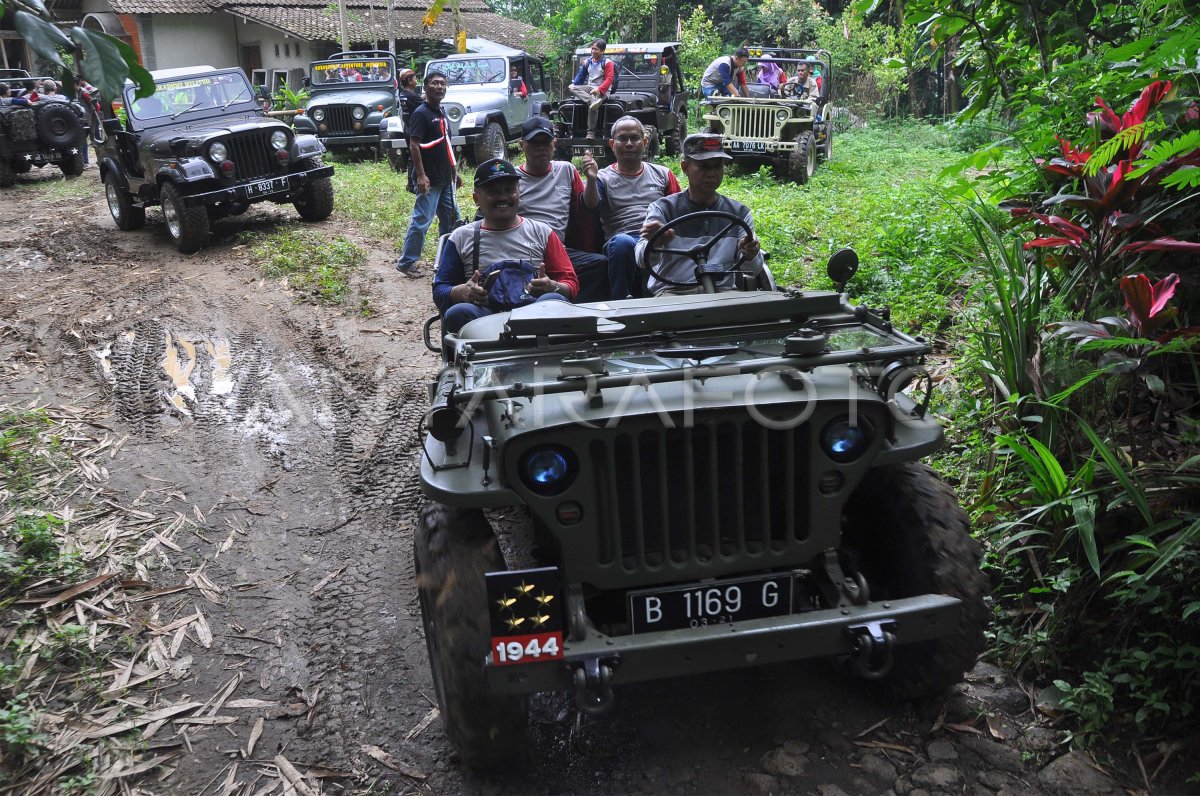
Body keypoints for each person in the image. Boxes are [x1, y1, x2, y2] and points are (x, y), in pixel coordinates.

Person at [433, 158, 578, 333]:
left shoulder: (542, 232)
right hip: (485, 319)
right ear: (476, 198)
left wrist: (552, 286)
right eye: (493, 192)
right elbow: (440, 290)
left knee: (555, 299)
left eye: (509, 190)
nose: (503, 197)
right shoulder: (461, 237)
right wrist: (461, 292)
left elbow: (571, 285)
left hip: (537, 316)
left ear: (519, 193)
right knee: (458, 313)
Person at [635, 133, 762, 296]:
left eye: (717, 166)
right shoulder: (663, 209)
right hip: (673, 293)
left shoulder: (739, 213)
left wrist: (750, 254)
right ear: (685, 167)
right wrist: (655, 244)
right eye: (703, 166)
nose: (711, 173)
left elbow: (753, 269)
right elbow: (641, 260)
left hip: (723, 291)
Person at [581, 116, 681, 300]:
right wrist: (592, 180)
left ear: (644, 142)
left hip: (658, 238)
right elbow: (590, 206)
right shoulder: (603, 177)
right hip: (622, 240)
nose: (628, 144)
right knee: (622, 243)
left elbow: (678, 212)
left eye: (634, 138)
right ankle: (620, 302)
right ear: (612, 144)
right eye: (622, 138)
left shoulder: (663, 174)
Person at [515, 115, 609, 301]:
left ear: (554, 143)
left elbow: (589, 206)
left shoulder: (566, 170)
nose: (541, 147)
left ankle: (575, 311)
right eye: (534, 142)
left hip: (560, 250)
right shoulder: (513, 178)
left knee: (600, 265)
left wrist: (591, 179)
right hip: (523, 249)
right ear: (521, 145)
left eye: (546, 141)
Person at [395, 71, 461, 278]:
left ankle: (445, 261)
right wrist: (421, 176)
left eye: (443, 83)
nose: (439, 87)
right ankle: (406, 262)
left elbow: (446, 144)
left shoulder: (440, 112)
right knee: (422, 221)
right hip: (429, 179)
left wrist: (454, 171)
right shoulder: (421, 113)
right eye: (435, 83)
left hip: (445, 178)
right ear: (425, 87)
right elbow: (414, 145)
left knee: (451, 221)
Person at [569, 39, 616, 139]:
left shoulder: (608, 63)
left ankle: (591, 133)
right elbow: (580, 76)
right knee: (573, 88)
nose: (593, 51)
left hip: (603, 90)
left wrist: (599, 89)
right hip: (590, 88)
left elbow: (609, 79)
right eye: (592, 49)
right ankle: (592, 101)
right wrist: (574, 84)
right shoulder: (588, 62)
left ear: (602, 51)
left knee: (593, 107)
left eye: (596, 49)